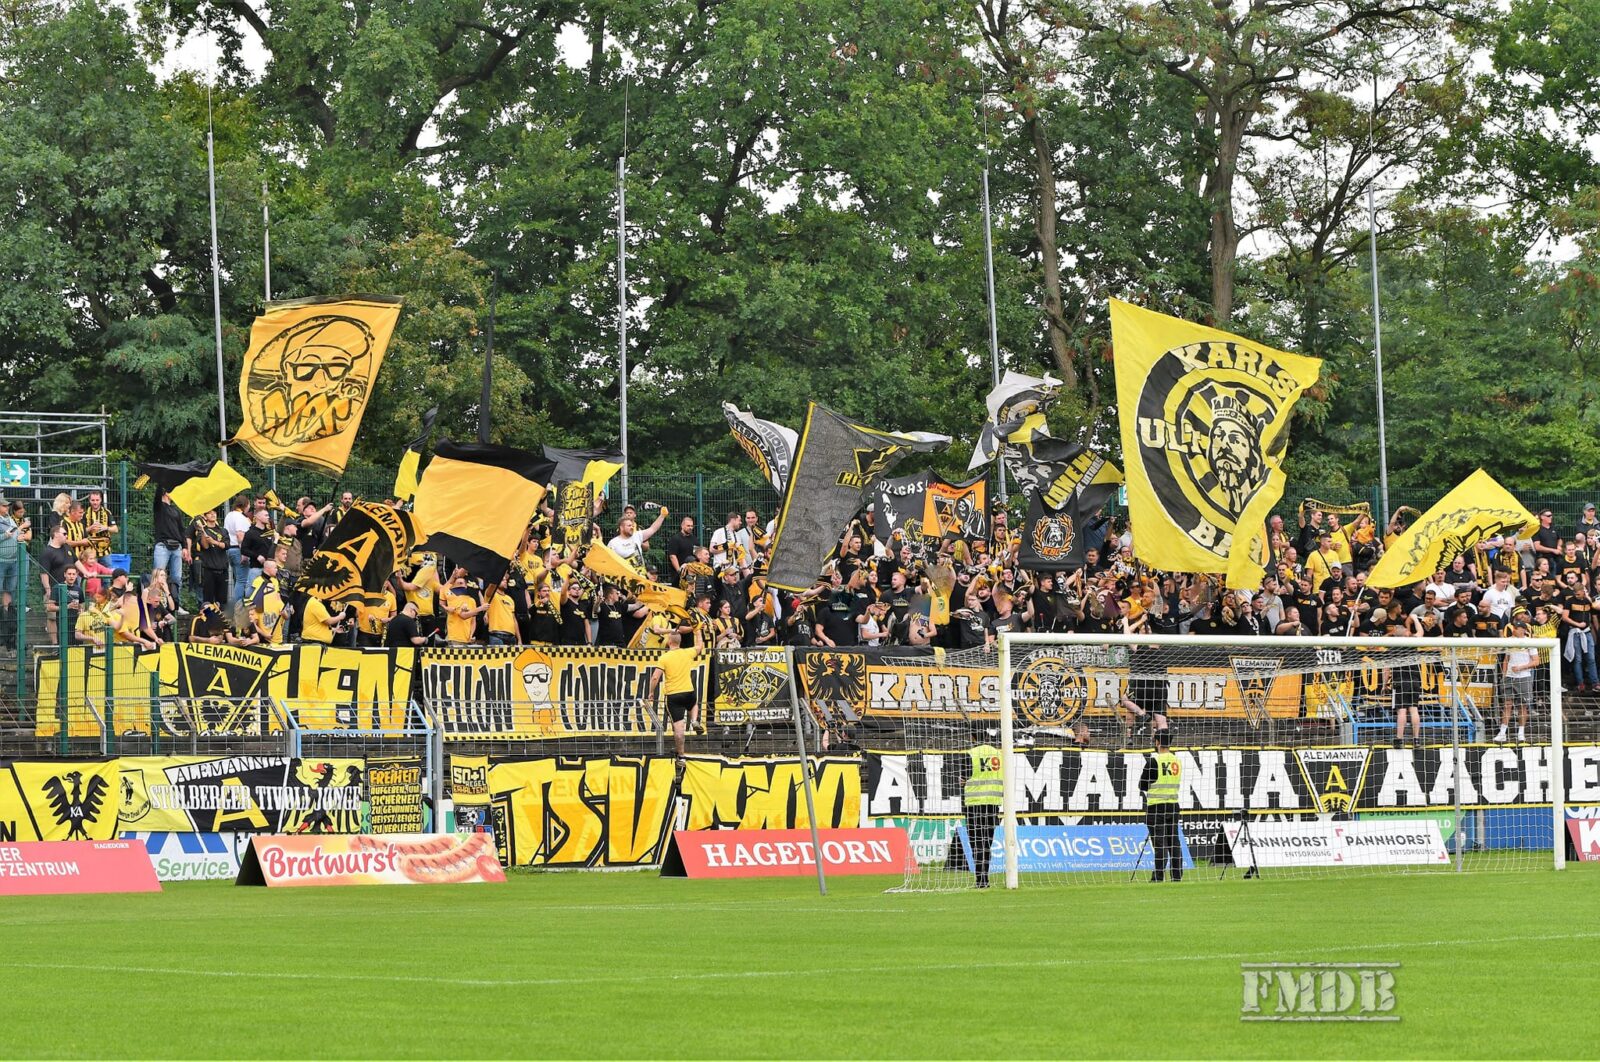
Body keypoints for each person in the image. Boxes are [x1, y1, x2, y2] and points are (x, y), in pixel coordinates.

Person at [641, 625, 705, 760]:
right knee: (694, 704)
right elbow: (700, 646)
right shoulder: (687, 652)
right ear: (680, 642)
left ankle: (681, 756)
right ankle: (694, 720)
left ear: (669, 642)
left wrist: (651, 692)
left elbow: (654, 677)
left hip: (673, 696)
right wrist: (698, 631)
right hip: (689, 692)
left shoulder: (664, 658)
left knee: (679, 728)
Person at [1138, 727, 1182, 882]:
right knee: (1174, 842)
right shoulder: (1177, 761)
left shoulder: (1154, 761)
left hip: (1156, 806)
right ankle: (1177, 876)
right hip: (1173, 805)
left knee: (1160, 843)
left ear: (1157, 742)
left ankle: (1158, 877)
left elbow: (1142, 785)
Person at [960, 737, 1003, 889]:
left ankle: (981, 880)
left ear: (972, 737)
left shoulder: (971, 754)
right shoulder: (998, 754)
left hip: (974, 804)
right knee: (987, 842)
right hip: (993, 803)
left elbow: (963, 779)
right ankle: (986, 878)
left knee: (976, 842)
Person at [1498, 614, 1538, 742]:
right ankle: (1502, 732)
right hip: (1509, 677)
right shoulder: (1509, 641)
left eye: (1516, 628)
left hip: (1524, 677)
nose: (1514, 630)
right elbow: (1506, 659)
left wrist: (1521, 667)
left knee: (1522, 705)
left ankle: (1521, 733)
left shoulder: (1530, 643)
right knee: (1507, 705)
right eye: (1514, 627)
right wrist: (1504, 675)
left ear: (1523, 630)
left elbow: (1536, 661)